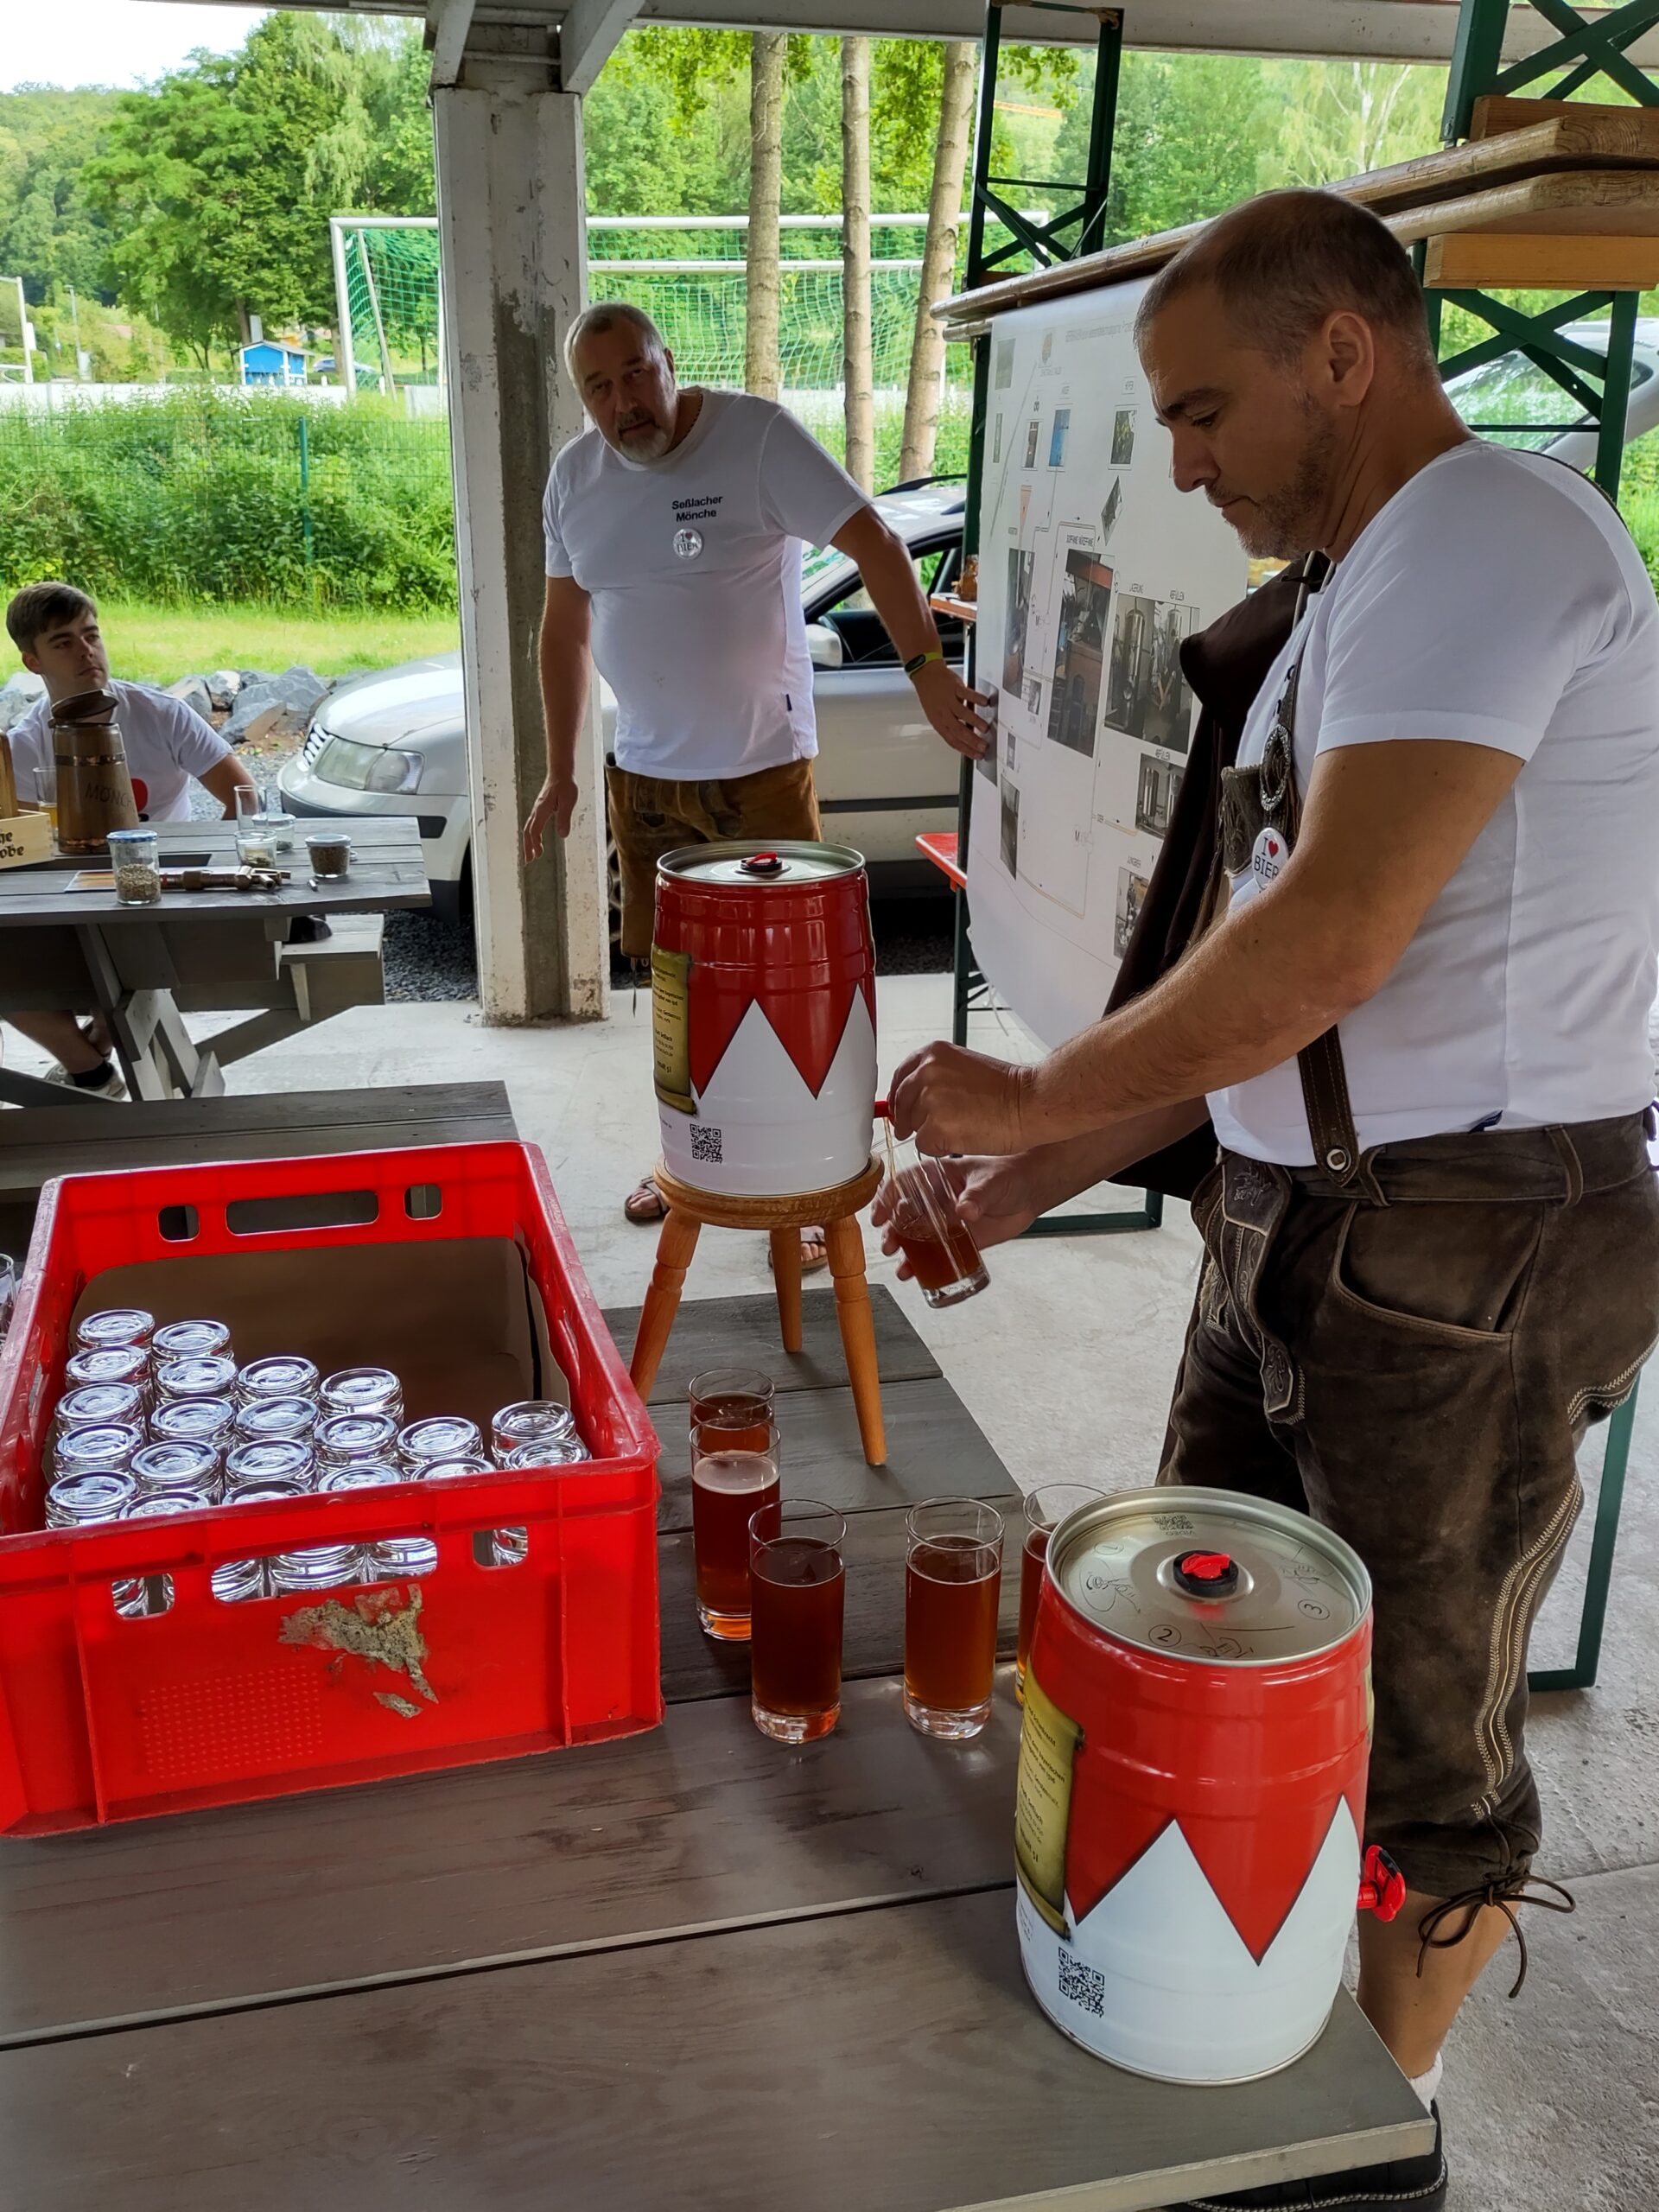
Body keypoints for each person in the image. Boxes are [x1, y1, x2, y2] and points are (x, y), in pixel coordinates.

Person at [883, 190, 1659, 2212]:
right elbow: (1248, 990)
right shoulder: (1359, 595)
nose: (1183, 461)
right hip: (1312, 1218)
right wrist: (1028, 1164)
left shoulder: (1493, 533)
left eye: (1203, 409)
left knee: (1418, 1748)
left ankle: (1352, 2153)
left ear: (1349, 351)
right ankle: (1231, 2049)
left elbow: (1325, 943)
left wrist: (1040, 1082)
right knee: (1206, 1663)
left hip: (1471, 1241)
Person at [523, 301, 992, 1263]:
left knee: (786, 994)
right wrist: (560, 768)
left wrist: (926, 670)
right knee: (676, 991)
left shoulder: (756, 437)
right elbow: (563, 629)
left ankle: (813, 1194)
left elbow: (875, 543)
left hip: (761, 771)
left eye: (635, 374)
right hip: (645, 779)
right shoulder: (575, 478)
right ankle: (688, 1165)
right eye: (599, 389)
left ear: (668, 363)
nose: (623, 404)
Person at [4, 582, 257, 1098]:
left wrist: (225, 873)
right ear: (33, 662)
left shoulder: (159, 714)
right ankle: (91, 1067)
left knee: (114, 965)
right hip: (75, 902)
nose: (86, 651)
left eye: (91, 635)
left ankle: (95, 1052)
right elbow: (27, 851)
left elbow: (244, 797)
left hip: (165, 895)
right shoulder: (26, 745)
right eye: (64, 642)